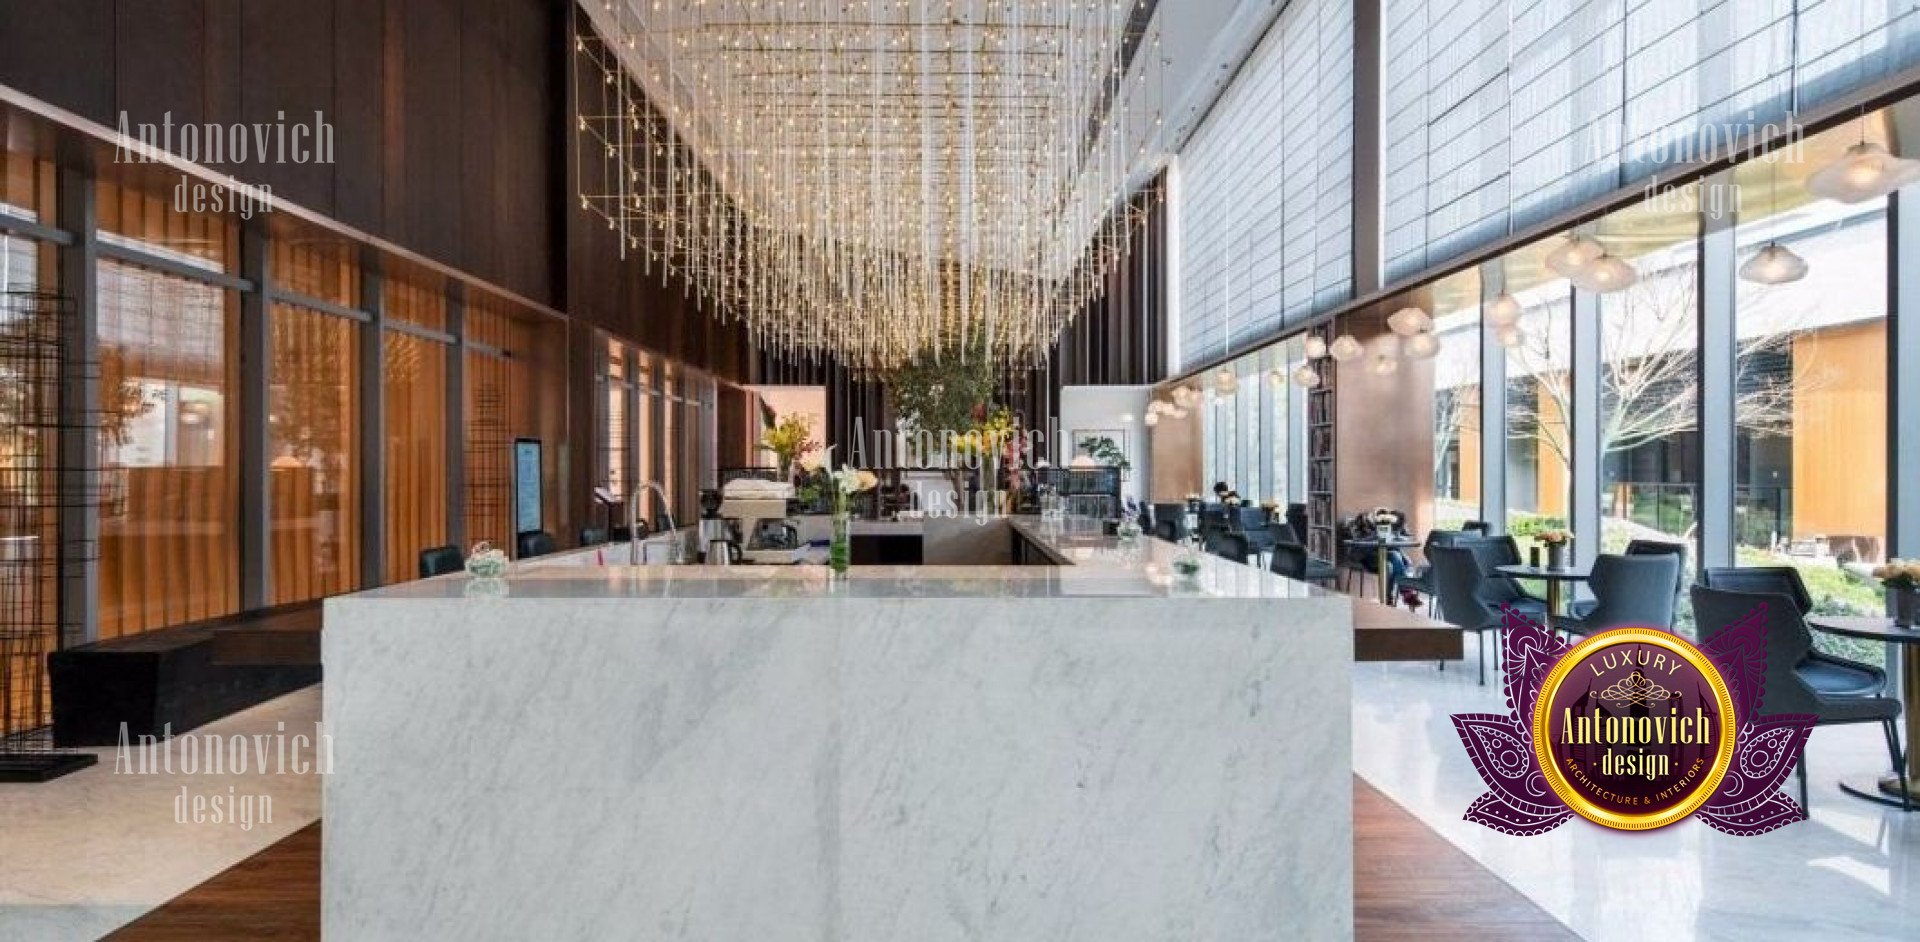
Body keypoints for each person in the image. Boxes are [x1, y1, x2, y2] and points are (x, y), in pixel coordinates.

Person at [1344, 509, 1413, 605]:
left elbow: (1403, 540)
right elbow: (1359, 545)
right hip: (1367, 557)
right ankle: (1402, 594)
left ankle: (1392, 597)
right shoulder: (1375, 529)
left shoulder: (1393, 532)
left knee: (1394, 560)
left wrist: (1395, 538)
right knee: (1393, 560)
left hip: (1383, 556)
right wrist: (1376, 537)